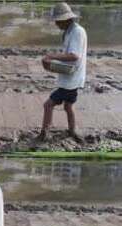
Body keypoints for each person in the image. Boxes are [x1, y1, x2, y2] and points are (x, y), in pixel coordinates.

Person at [38, 2, 87, 143]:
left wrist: (51, 56)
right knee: (68, 106)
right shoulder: (71, 31)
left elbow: (74, 56)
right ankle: (72, 131)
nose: (56, 24)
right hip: (73, 76)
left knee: (48, 105)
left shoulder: (77, 32)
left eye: (57, 21)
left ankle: (44, 133)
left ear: (65, 19)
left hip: (71, 80)